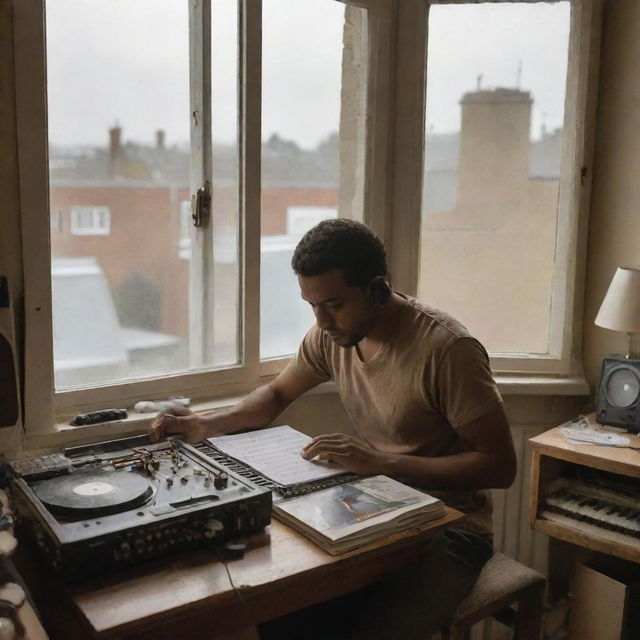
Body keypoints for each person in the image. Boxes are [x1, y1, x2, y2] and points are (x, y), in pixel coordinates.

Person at [150, 218, 517, 640]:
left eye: (333, 304)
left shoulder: (447, 350)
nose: (321, 320)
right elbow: (274, 396)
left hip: (452, 529)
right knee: (283, 608)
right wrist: (204, 425)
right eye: (312, 305)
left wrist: (384, 463)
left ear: (377, 289)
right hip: (374, 503)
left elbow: (499, 467)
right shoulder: (333, 335)